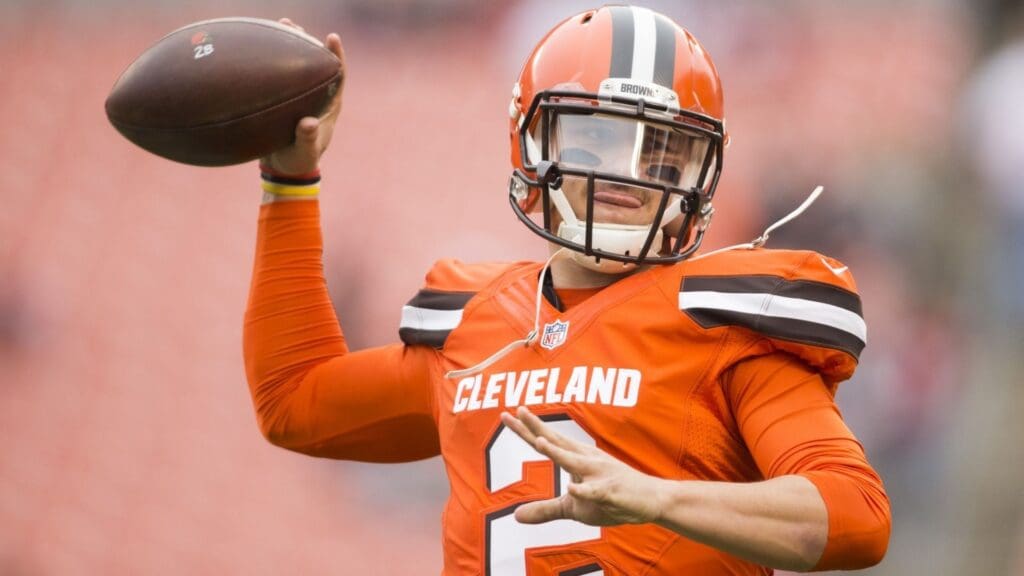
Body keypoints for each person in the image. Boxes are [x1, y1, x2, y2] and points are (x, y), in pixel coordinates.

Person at [245, 7, 891, 575]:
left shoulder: (719, 328)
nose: (630, 175)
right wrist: (290, 181)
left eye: (663, 154)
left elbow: (857, 516)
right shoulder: (479, 325)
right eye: (598, 137)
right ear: (534, 140)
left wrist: (654, 496)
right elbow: (295, 403)